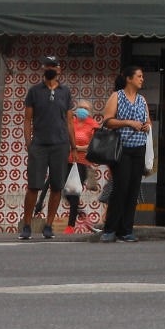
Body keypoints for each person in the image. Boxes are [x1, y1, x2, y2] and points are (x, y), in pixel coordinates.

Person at [20, 55, 75, 240]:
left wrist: (73, 146)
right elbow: (27, 119)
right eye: (48, 65)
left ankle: (49, 225)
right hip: (39, 145)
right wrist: (29, 143)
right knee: (33, 186)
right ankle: (27, 225)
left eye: (54, 65)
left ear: (59, 69)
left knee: (57, 187)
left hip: (60, 145)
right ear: (43, 68)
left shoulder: (65, 92)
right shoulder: (34, 91)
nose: (51, 68)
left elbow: (69, 121)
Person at [98, 65, 150, 243]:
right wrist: (128, 123)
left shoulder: (142, 100)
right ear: (129, 78)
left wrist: (145, 126)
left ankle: (126, 230)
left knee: (133, 190)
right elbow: (107, 121)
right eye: (139, 76)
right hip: (121, 149)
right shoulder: (117, 96)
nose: (142, 79)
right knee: (120, 188)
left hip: (139, 148)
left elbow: (148, 121)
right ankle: (110, 228)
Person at [62, 98, 99, 233]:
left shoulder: (93, 125)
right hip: (68, 161)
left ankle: (70, 226)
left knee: (74, 193)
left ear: (90, 111)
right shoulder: (71, 122)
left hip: (82, 163)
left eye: (85, 108)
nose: (82, 109)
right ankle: (82, 215)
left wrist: (76, 147)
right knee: (64, 191)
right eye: (80, 107)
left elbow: (93, 147)